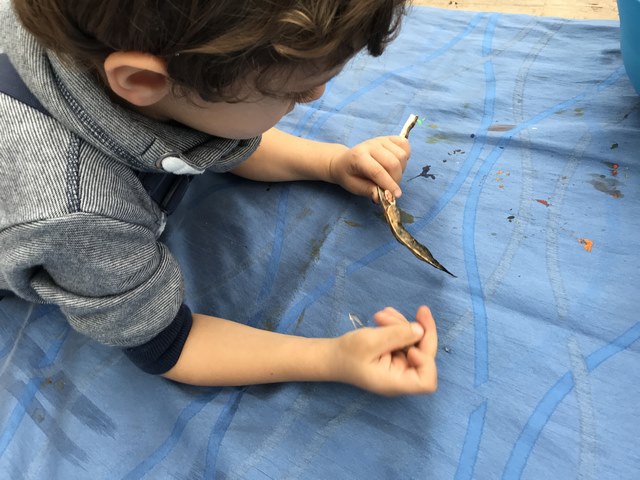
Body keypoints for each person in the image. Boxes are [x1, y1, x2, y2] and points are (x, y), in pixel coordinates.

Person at [0, 0, 438, 396]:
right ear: (142, 80)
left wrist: (330, 162)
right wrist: (333, 359)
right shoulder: (81, 213)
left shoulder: (92, 36)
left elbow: (213, 125)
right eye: (292, 92)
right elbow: (169, 345)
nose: (315, 95)